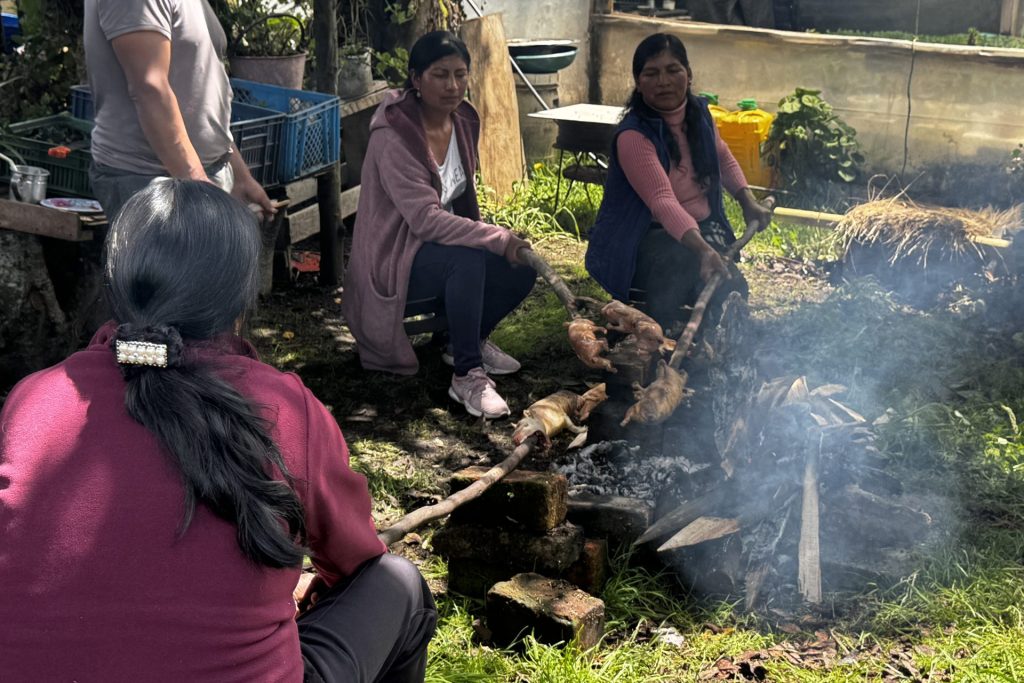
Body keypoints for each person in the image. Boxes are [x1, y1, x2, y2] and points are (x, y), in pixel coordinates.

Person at [0, 181, 436, 682]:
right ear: (237, 299)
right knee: (397, 582)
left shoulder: (32, 397)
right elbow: (356, 562)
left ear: (116, 284)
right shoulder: (286, 408)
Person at [343, 30, 537, 420]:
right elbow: (425, 220)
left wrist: (502, 242)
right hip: (392, 259)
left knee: (522, 263)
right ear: (415, 79)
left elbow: (457, 205)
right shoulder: (393, 135)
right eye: (440, 74)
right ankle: (466, 375)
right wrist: (495, 237)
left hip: (434, 251)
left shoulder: (463, 119)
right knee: (466, 257)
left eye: (460, 75)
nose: (453, 86)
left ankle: (461, 340)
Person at [586, 33, 771, 333]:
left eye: (673, 70)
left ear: (689, 74)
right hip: (640, 239)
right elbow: (662, 201)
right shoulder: (633, 136)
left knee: (730, 289)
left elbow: (722, 157)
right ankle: (658, 340)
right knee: (678, 268)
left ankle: (708, 344)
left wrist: (748, 201)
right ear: (638, 81)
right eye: (651, 73)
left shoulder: (700, 114)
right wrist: (703, 250)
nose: (664, 81)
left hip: (696, 231)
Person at [83, 0, 274, 220]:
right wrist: (197, 183)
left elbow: (195, 91)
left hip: (195, 176)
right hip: (153, 182)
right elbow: (150, 88)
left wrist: (239, 176)